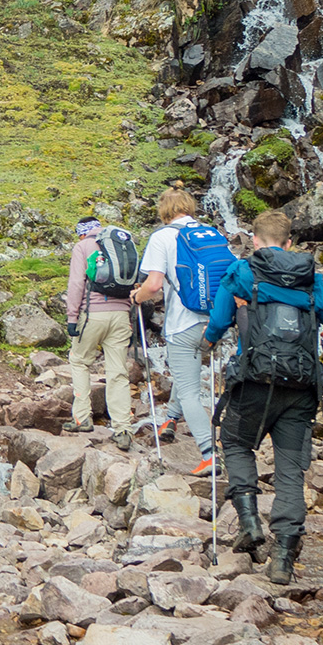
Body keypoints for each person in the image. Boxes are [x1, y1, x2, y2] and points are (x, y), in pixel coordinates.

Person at [204, 208, 323, 585]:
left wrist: (208, 341)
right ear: (289, 243)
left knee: (235, 443)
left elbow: (219, 323)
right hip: (300, 387)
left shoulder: (240, 272)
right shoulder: (312, 278)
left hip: (253, 380)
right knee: (289, 471)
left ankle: (250, 522)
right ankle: (283, 557)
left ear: (254, 240)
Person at [129, 187, 227, 477]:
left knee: (188, 390)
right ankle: (171, 420)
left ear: (164, 211)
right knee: (188, 376)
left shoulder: (162, 237)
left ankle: (209, 453)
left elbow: (154, 284)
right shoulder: (211, 234)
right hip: (215, 322)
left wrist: (137, 297)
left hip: (182, 323)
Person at [64, 216, 135, 446]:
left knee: (79, 361)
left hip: (93, 314)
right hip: (121, 315)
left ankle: (82, 417)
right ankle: (123, 429)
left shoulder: (82, 246)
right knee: (118, 372)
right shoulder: (121, 243)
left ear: (81, 233)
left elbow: (76, 284)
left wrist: (72, 317)